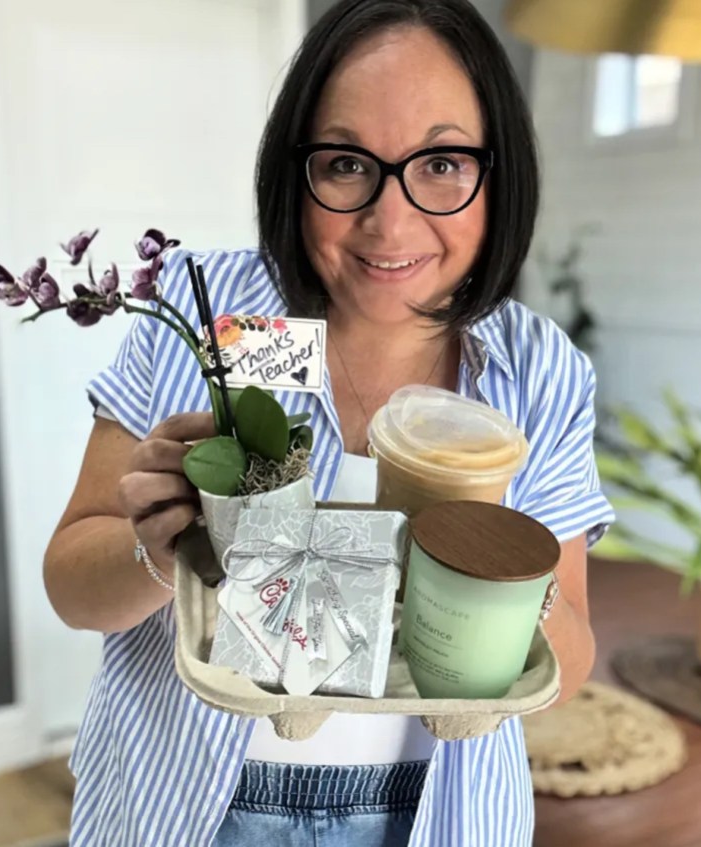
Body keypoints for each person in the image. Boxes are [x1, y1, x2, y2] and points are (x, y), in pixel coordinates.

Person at [44, 1, 615, 844]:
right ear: (294, 166)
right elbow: (70, 585)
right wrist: (156, 546)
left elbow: (568, 662)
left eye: (445, 163)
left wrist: (498, 580)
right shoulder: (209, 314)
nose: (390, 221)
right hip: (190, 798)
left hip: (434, 812)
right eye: (347, 162)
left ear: (501, 176)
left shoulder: (537, 372)